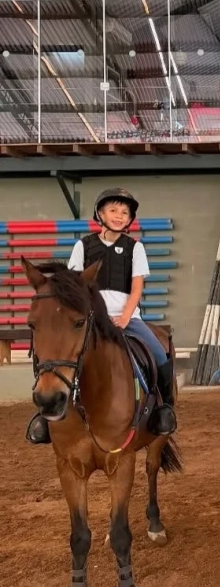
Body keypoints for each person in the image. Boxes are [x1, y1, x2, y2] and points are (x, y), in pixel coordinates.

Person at [25, 187, 176, 445]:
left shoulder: (135, 248)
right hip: (92, 318)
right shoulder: (83, 246)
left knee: (159, 353)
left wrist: (126, 317)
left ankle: (164, 409)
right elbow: (72, 287)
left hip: (126, 318)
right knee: (54, 352)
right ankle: (45, 414)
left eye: (125, 212)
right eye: (113, 210)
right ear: (100, 214)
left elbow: (137, 287)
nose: (119, 216)